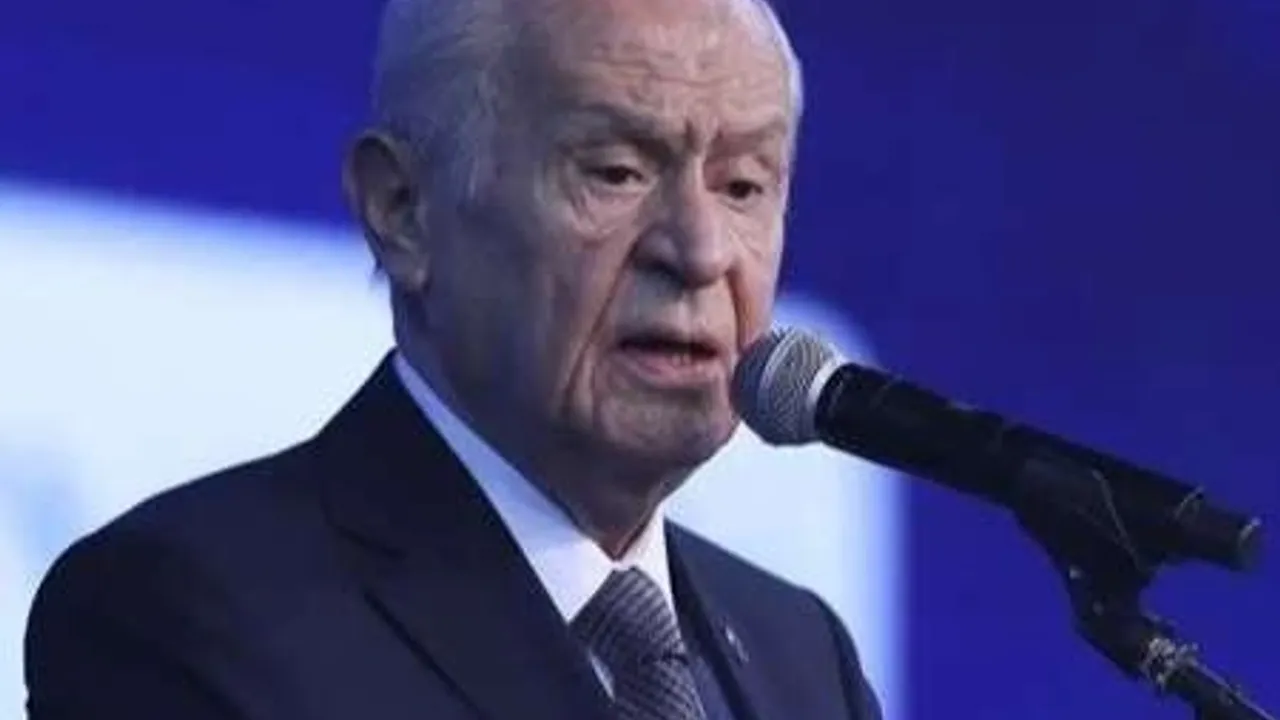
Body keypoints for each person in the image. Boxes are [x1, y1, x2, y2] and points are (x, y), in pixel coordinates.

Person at [24, 0, 882, 717]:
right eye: (616, 172)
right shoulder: (181, 614)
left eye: (743, 187)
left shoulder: (804, 660)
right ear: (403, 209)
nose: (699, 251)